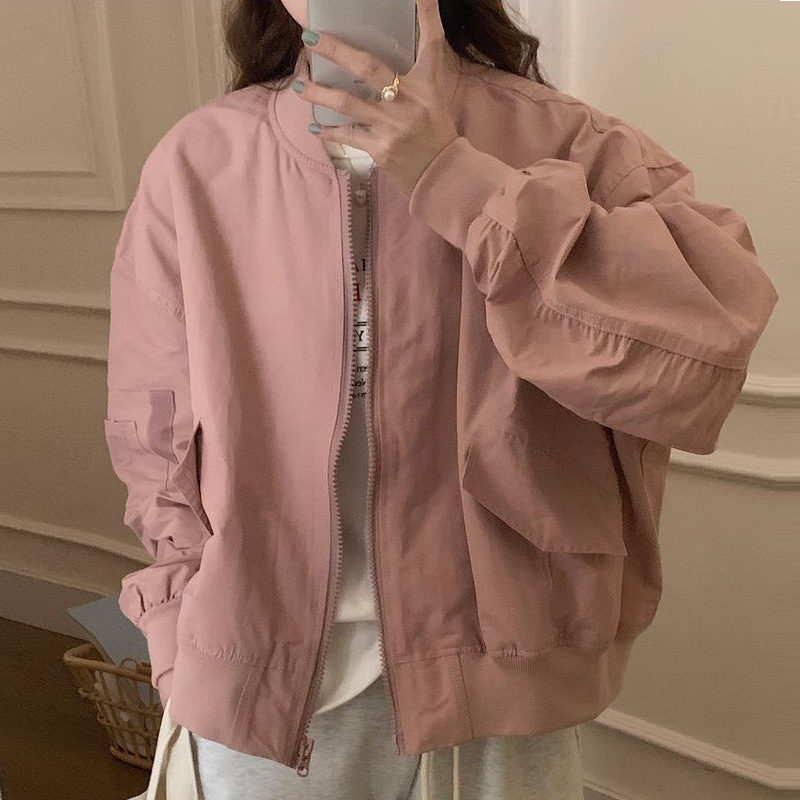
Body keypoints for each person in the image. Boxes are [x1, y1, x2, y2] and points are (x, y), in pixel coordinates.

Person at [104, 0, 779, 798]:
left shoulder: (568, 141)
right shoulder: (198, 161)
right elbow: (153, 427)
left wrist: (453, 175)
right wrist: (181, 621)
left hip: (504, 680)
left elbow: (704, 345)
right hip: (259, 672)